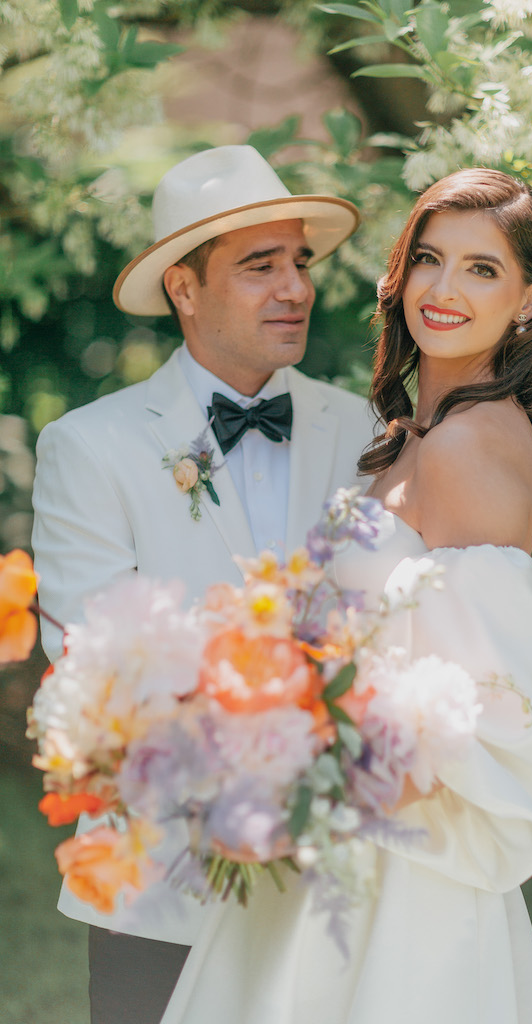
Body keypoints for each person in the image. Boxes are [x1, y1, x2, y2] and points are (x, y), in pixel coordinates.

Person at [157, 168, 532, 1024]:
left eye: (482, 270)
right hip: (337, 854)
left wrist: (305, 774)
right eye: (430, 258)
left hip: (404, 896)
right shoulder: (414, 436)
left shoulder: (470, 452)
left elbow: (495, 721)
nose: (442, 290)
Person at [30, 144, 374, 1024]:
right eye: (259, 266)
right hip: (161, 883)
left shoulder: (363, 427)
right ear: (184, 289)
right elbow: (92, 659)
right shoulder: (89, 445)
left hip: (340, 881)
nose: (294, 286)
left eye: (299, 261)